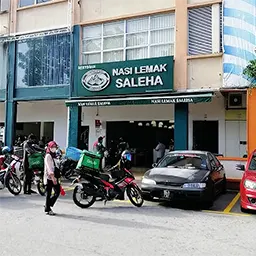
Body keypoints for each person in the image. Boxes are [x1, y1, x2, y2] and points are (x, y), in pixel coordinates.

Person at [44, 141, 61, 216]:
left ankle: (48, 205)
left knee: (57, 191)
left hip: (54, 176)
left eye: (55, 147)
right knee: (49, 193)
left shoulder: (54, 155)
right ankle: (48, 209)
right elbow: (49, 168)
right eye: (52, 147)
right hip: (49, 177)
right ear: (49, 147)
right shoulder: (48, 156)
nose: (54, 148)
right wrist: (53, 177)